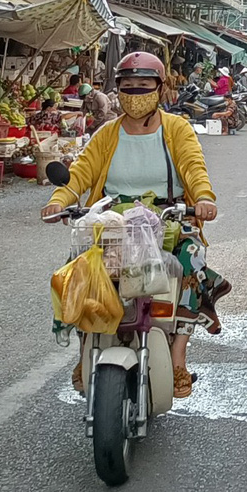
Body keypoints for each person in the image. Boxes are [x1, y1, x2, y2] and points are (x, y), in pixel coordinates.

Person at [42, 51, 226, 397]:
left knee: (191, 262)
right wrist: (58, 201)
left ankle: (177, 356)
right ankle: (86, 349)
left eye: (144, 86)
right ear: (117, 88)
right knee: (79, 272)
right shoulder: (107, 133)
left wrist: (203, 199)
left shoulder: (177, 129)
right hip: (112, 221)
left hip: (167, 218)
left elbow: (193, 167)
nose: (135, 93)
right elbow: (81, 172)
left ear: (160, 88)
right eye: (127, 86)